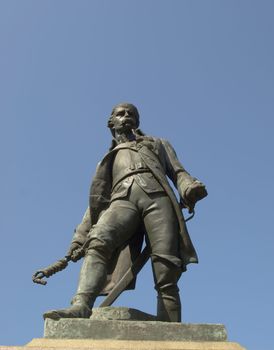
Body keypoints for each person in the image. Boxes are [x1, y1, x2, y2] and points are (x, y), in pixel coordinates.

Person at [44, 103, 207, 322]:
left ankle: (169, 321)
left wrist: (189, 187)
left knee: (166, 262)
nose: (126, 116)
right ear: (111, 122)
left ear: (137, 122)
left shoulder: (157, 144)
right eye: (121, 114)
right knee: (98, 239)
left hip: (158, 198)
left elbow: (178, 172)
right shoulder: (110, 157)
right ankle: (81, 305)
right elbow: (96, 204)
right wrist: (79, 237)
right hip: (122, 199)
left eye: (131, 114)